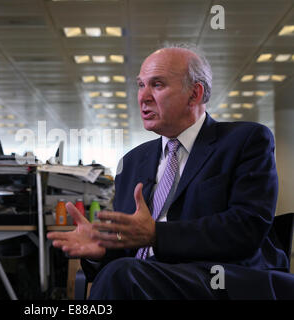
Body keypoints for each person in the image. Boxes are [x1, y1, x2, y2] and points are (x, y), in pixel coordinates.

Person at [47, 44, 294, 299]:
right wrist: (102, 251)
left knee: (121, 275)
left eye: (157, 85)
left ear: (194, 94)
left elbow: (246, 229)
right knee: (119, 271)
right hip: (147, 280)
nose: (143, 97)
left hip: (220, 278)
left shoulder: (245, 140)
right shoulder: (132, 162)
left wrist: (157, 235)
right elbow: (128, 247)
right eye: (141, 85)